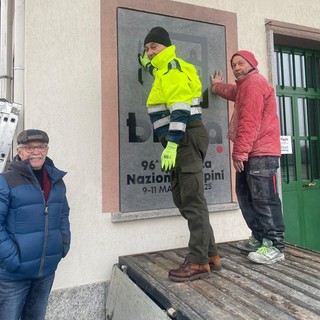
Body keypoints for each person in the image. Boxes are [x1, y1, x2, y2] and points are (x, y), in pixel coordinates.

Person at [138, 26, 221, 282]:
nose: (150, 52)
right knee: (184, 200)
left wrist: (172, 143)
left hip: (183, 136)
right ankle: (211, 255)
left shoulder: (172, 69)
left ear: (166, 45)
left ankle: (198, 263)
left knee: (193, 201)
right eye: (147, 48)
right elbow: (157, 69)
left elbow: (181, 108)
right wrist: (147, 62)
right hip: (184, 138)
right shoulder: (169, 67)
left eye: (154, 47)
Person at [210, 50, 285, 264]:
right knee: (245, 195)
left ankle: (275, 245)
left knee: (264, 199)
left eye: (240, 63)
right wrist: (217, 87)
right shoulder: (245, 86)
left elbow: (249, 122)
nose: (236, 68)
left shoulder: (254, 84)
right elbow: (234, 92)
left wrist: (239, 153)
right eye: (233, 65)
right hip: (252, 152)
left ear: (251, 64)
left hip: (261, 153)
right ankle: (260, 237)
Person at [0, 129, 71, 319]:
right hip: (14, 275)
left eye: (40, 147)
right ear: (20, 151)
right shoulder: (6, 181)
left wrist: (63, 244)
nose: (36, 152)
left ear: (46, 150)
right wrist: (12, 259)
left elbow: (63, 213)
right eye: (30, 148)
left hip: (46, 272)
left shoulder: (56, 181)